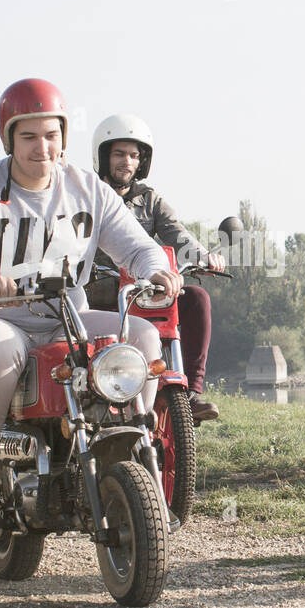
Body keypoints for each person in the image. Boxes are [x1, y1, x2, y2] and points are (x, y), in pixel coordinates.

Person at [0, 79, 181, 532]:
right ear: (8, 138)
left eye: (51, 135)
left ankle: (130, 447)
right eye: (28, 136)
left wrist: (154, 272)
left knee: (142, 334)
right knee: (1, 348)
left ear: (65, 137)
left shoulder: (89, 190)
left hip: (67, 319)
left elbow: (138, 247)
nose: (41, 148)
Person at [86, 113, 225, 421]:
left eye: (134, 155)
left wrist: (203, 257)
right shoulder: (88, 197)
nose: (127, 162)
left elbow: (178, 234)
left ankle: (190, 391)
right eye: (120, 154)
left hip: (143, 290)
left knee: (196, 299)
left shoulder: (150, 200)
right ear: (104, 156)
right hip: (101, 293)